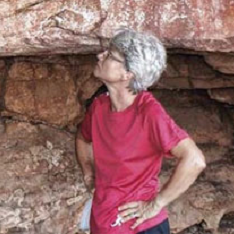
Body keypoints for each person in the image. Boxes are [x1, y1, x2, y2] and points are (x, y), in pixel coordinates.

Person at [76, 28, 206, 234]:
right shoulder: (99, 106)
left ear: (128, 74)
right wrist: (88, 174)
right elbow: (83, 138)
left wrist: (156, 204)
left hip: (140, 227)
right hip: (103, 222)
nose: (100, 56)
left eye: (110, 55)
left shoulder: (149, 112)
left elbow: (195, 160)